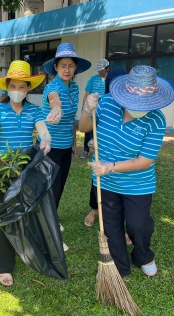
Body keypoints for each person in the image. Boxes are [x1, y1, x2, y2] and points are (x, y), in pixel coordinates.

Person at [79, 66, 174, 277]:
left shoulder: (156, 120)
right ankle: (119, 265)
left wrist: (110, 167)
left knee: (138, 224)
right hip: (106, 182)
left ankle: (143, 255)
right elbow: (84, 128)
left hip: (138, 183)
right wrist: (86, 110)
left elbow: (144, 161)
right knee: (111, 225)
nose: (137, 107)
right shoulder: (106, 104)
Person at [0, 60, 50, 287]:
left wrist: (46, 139)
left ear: (28, 89)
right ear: (6, 88)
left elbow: (42, 130)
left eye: (21, 87)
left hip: (27, 169)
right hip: (4, 170)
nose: (17, 91)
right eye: (13, 87)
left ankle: (29, 251)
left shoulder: (34, 110)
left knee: (28, 213)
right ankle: (4, 266)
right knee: (5, 217)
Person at [40, 42, 91, 243]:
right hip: (49, 147)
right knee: (50, 187)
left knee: (59, 187)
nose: (67, 70)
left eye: (71, 65)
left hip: (65, 146)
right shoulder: (52, 87)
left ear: (76, 67)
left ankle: (51, 218)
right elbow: (55, 101)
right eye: (63, 66)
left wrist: (74, 142)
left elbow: (71, 118)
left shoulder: (75, 87)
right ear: (56, 67)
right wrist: (56, 110)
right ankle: (46, 226)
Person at [84, 67, 127, 229]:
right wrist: (93, 140)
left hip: (123, 161)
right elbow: (94, 125)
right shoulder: (103, 102)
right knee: (97, 184)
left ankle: (123, 224)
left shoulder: (131, 105)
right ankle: (94, 210)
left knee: (122, 196)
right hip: (103, 156)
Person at [80, 59, 110, 160]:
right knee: (88, 129)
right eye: (98, 70)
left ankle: (102, 151)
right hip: (93, 107)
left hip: (105, 109)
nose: (99, 72)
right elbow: (86, 95)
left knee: (103, 129)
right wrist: (83, 110)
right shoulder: (92, 79)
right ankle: (85, 151)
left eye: (102, 70)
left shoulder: (110, 79)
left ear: (107, 69)